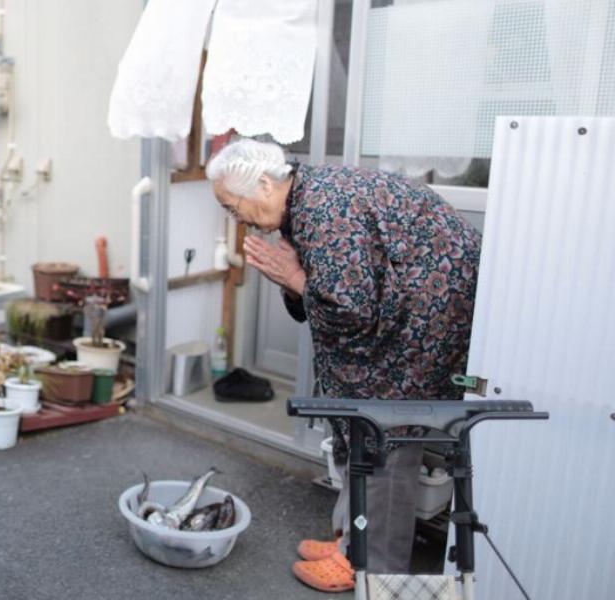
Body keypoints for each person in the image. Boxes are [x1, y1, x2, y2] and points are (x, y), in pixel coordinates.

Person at [205, 139, 481, 593]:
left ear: (265, 184)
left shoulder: (326, 211)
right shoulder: (304, 201)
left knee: (388, 429)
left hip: (429, 318)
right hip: (407, 310)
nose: (237, 220)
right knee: (360, 417)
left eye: (234, 207)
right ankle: (351, 539)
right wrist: (297, 281)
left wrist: (293, 278)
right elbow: (331, 294)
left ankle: (372, 563)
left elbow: (349, 309)